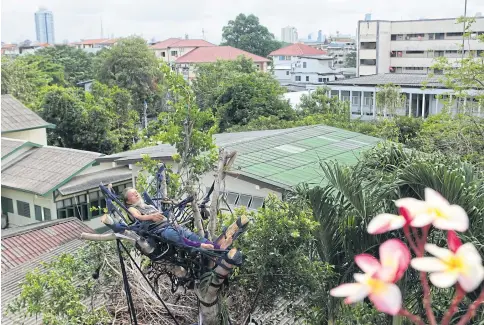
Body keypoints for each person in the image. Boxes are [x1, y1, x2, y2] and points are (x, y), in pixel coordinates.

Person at [122, 187, 219, 250]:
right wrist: (151, 216)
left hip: (169, 224)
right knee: (174, 236)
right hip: (160, 230)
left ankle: (217, 247)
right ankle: (201, 246)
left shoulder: (145, 205)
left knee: (190, 235)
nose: (136, 194)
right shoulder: (132, 208)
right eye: (133, 195)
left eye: (136, 192)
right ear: (128, 201)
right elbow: (138, 216)